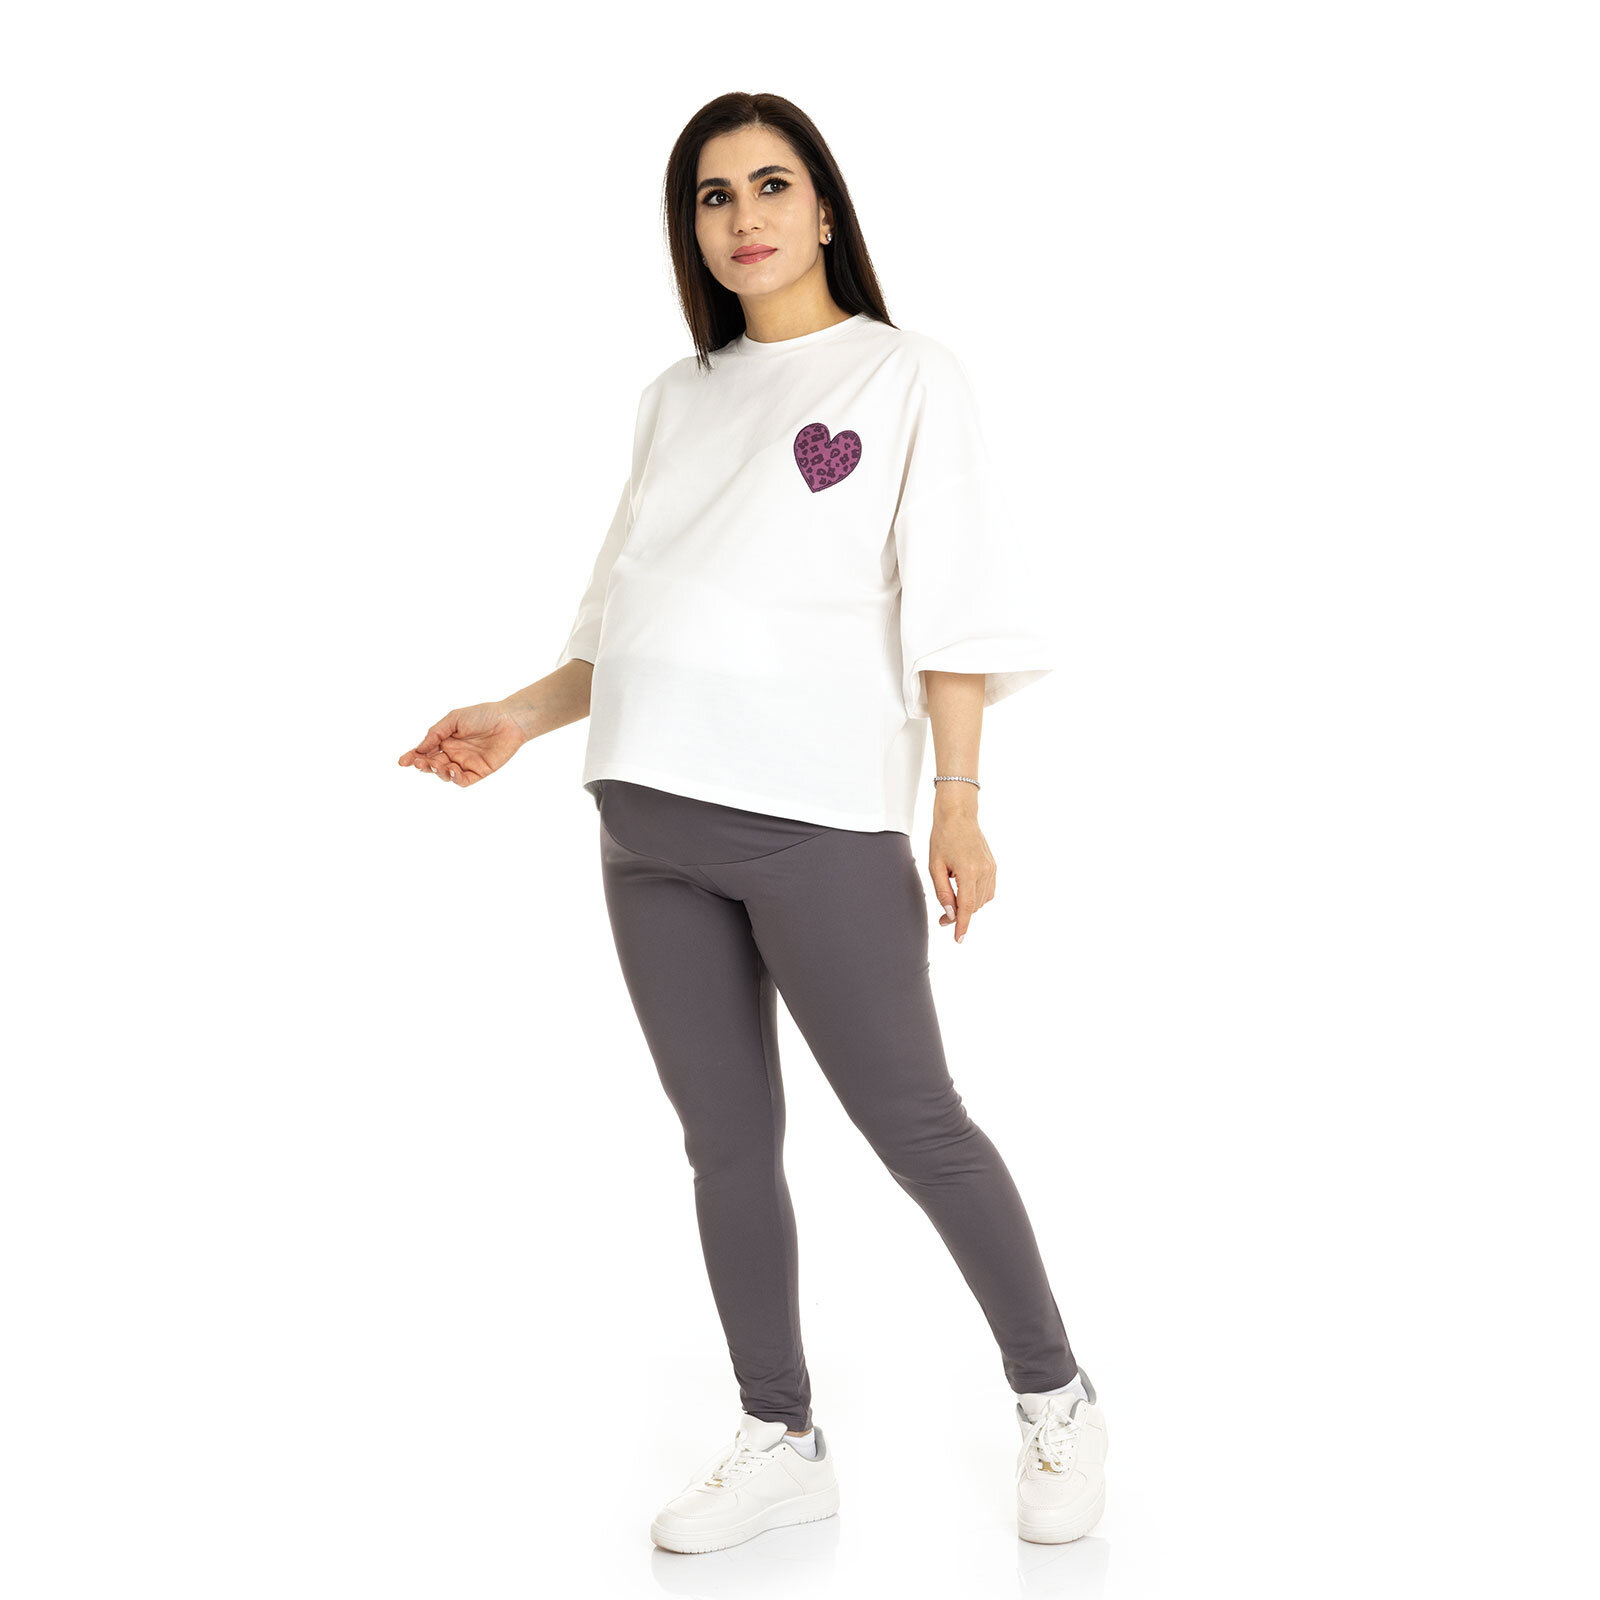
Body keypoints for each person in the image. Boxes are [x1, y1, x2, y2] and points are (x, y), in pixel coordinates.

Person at [397, 91, 1108, 1554]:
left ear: (826, 206)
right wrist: (518, 718)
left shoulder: (906, 377)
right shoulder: (675, 398)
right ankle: (780, 1436)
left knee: (916, 1125)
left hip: (816, 820)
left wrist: (959, 803)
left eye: (771, 185)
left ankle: (1056, 1394)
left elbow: (957, 611)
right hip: (644, 821)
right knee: (725, 1144)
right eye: (713, 197)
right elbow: (623, 621)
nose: (744, 218)